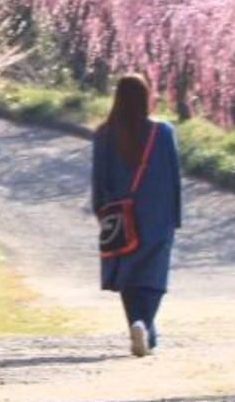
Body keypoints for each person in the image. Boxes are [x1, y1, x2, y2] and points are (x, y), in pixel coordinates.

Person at [91, 73, 182, 356]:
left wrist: (102, 213)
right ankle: (145, 325)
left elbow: (99, 179)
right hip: (157, 215)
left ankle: (138, 324)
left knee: (128, 277)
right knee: (153, 278)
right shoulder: (162, 133)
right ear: (147, 98)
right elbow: (173, 177)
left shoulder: (104, 134)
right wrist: (174, 216)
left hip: (120, 216)